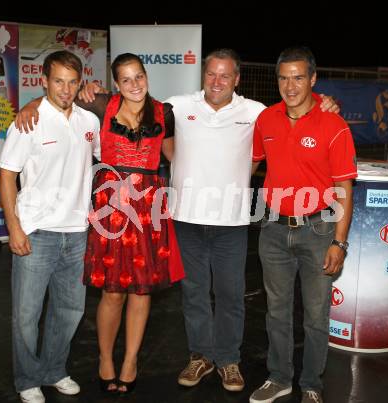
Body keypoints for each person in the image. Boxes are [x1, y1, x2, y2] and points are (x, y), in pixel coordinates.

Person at [20, 49, 337, 394]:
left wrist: (324, 103)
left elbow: (293, 109)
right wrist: (32, 104)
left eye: (225, 75)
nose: (217, 81)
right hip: (157, 216)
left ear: (237, 79)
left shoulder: (248, 112)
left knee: (223, 295)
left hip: (209, 219)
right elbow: (65, 97)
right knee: (177, 294)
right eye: (211, 74)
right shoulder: (174, 106)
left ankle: (224, 360)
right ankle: (182, 357)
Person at [14, 52, 184, 396]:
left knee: (142, 292)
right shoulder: (101, 106)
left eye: (139, 76)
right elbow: (59, 97)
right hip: (112, 211)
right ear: (116, 84)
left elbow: (174, 157)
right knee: (112, 292)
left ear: (147, 76)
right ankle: (105, 358)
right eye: (126, 79)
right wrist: (30, 104)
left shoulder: (165, 113)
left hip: (149, 208)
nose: (134, 84)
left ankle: (130, 361)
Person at [249, 46, 357, 403]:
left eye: (298, 77)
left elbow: (343, 188)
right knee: (276, 312)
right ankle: (279, 378)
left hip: (319, 231)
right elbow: (248, 164)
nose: (290, 85)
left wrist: (339, 243)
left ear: (313, 79)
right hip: (274, 230)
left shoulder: (334, 124)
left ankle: (312, 383)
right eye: (283, 77)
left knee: (315, 315)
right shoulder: (266, 119)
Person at [0, 51, 100, 403]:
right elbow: (7, 175)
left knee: (70, 311)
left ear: (81, 83)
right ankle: (28, 378)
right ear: (44, 81)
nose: (65, 89)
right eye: (58, 81)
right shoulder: (28, 121)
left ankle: (55, 370)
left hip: (77, 233)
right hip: (36, 232)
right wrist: (14, 228)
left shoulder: (90, 122)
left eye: (73, 82)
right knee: (27, 314)